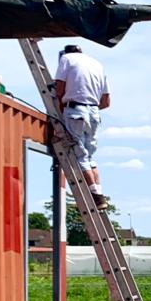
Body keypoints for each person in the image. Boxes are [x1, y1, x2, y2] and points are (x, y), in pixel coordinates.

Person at [52, 43, 110, 206]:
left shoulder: (66, 59)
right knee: (89, 157)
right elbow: (106, 101)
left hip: (75, 111)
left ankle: (96, 196)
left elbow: (59, 89)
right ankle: (98, 191)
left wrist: (63, 109)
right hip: (94, 113)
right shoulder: (97, 64)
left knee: (79, 156)